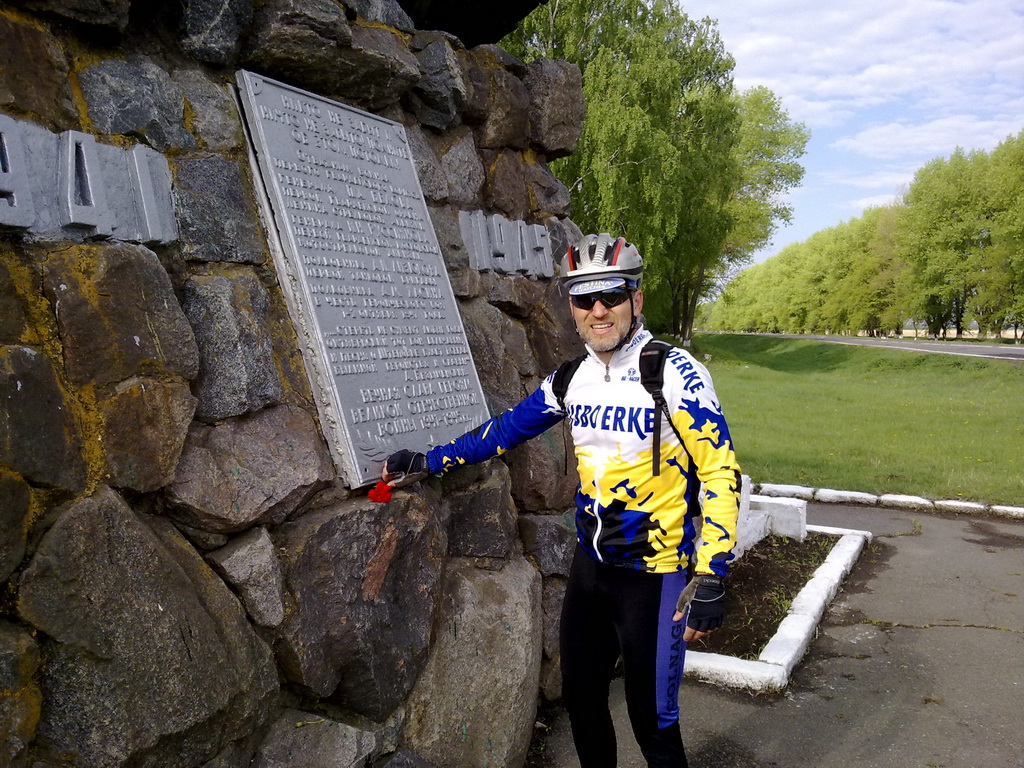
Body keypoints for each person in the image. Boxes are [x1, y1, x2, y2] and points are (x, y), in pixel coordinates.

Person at [383, 233, 742, 768]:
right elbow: (504, 431)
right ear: (571, 306)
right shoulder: (572, 378)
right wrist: (429, 460)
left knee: (654, 721)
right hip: (591, 570)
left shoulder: (672, 372)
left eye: (611, 296)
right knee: (582, 700)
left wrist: (712, 573)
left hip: (656, 575)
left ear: (636, 299)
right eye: (583, 298)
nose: (598, 310)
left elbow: (719, 470)